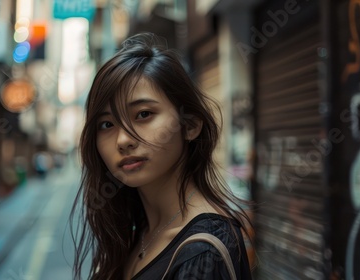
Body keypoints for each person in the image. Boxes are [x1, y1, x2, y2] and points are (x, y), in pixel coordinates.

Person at [71, 33, 253, 279]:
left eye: (144, 114)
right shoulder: (140, 232)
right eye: (106, 124)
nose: (123, 140)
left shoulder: (202, 252)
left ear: (190, 125)